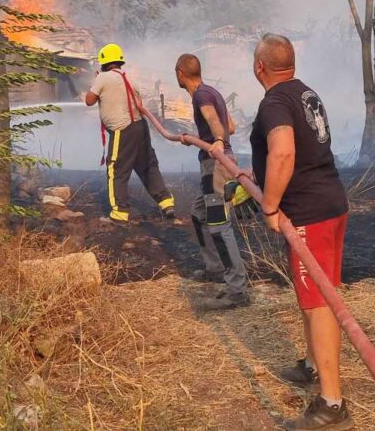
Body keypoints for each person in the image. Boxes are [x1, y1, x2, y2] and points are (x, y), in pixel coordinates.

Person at [250, 34, 353, 430]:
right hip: (331, 202)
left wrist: (271, 205)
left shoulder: (274, 101)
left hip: (309, 213)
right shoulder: (306, 93)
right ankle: (313, 365)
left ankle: (331, 404)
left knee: (319, 302)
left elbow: (284, 152)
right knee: (314, 292)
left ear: (260, 66)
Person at [174, 53, 251, 310]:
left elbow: (219, 127)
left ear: (180, 73)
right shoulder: (212, 92)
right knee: (198, 213)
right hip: (218, 162)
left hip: (216, 165)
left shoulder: (200, 96)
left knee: (219, 225)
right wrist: (203, 137)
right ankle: (215, 269)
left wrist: (215, 141)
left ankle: (237, 290)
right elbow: (231, 126)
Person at [85, 44, 175, 223]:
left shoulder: (102, 78)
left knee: (116, 169)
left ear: (104, 63)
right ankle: (166, 202)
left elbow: (89, 101)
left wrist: (96, 82)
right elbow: (139, 104)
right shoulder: (130, 79)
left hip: (122, 130)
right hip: (140, 127)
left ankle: (119, 212)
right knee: (148, 165)